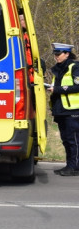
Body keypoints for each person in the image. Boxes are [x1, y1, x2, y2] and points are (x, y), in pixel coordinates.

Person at [48, 42, 79, 176]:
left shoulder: (75, 66)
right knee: (66, 139)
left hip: (73, 109)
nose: (56, 57)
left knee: (74, 140)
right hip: (60, 109)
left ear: (67, 54)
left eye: (59, 54)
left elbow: (77, 86)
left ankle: (75, 167)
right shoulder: (58, 68)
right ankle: (69, 165)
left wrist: (58, 89)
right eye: (55, 54)